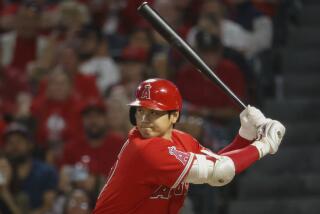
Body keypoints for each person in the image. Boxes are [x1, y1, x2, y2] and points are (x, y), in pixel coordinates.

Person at [93, 78, 285, 214]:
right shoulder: (143, 150)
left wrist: (245, 135)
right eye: (140, 111)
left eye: (153, 112)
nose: (143, 119)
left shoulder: (181, 140)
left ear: (174, 115)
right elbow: (219, 172)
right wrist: (264, 145)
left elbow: (217, 165)